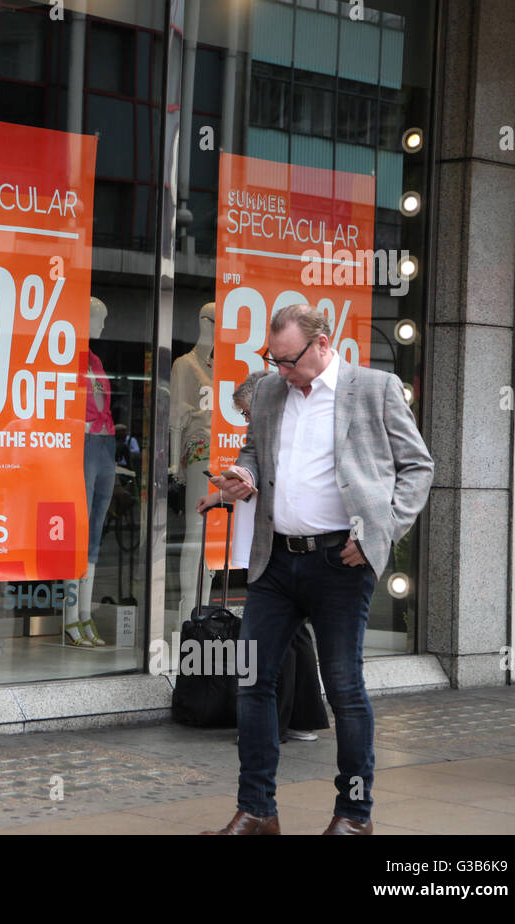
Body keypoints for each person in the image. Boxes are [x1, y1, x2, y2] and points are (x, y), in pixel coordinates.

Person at [203, 304, 433, 835]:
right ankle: (257, 810)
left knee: (345, 687)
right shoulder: (266, 391)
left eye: (287, 360)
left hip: (340, 562)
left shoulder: (376, 388)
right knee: (253, 681)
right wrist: (243, 474)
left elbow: (418, 466)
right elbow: (254, 450)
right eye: (272, 359)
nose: (279, 370)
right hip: (276, 559)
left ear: (323, 343)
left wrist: (380, 533)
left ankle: (354, 815)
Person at [199, 370, 330, 743]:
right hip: (272, 545)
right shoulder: (267, 437)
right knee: (294, 636)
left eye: (245, 412)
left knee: (275, 637)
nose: (245, 420)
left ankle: (273, 723)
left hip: (276, 546)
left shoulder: (283, 436)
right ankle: (303, 718)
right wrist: (220, 495)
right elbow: (254, 484)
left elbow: (272, 487)